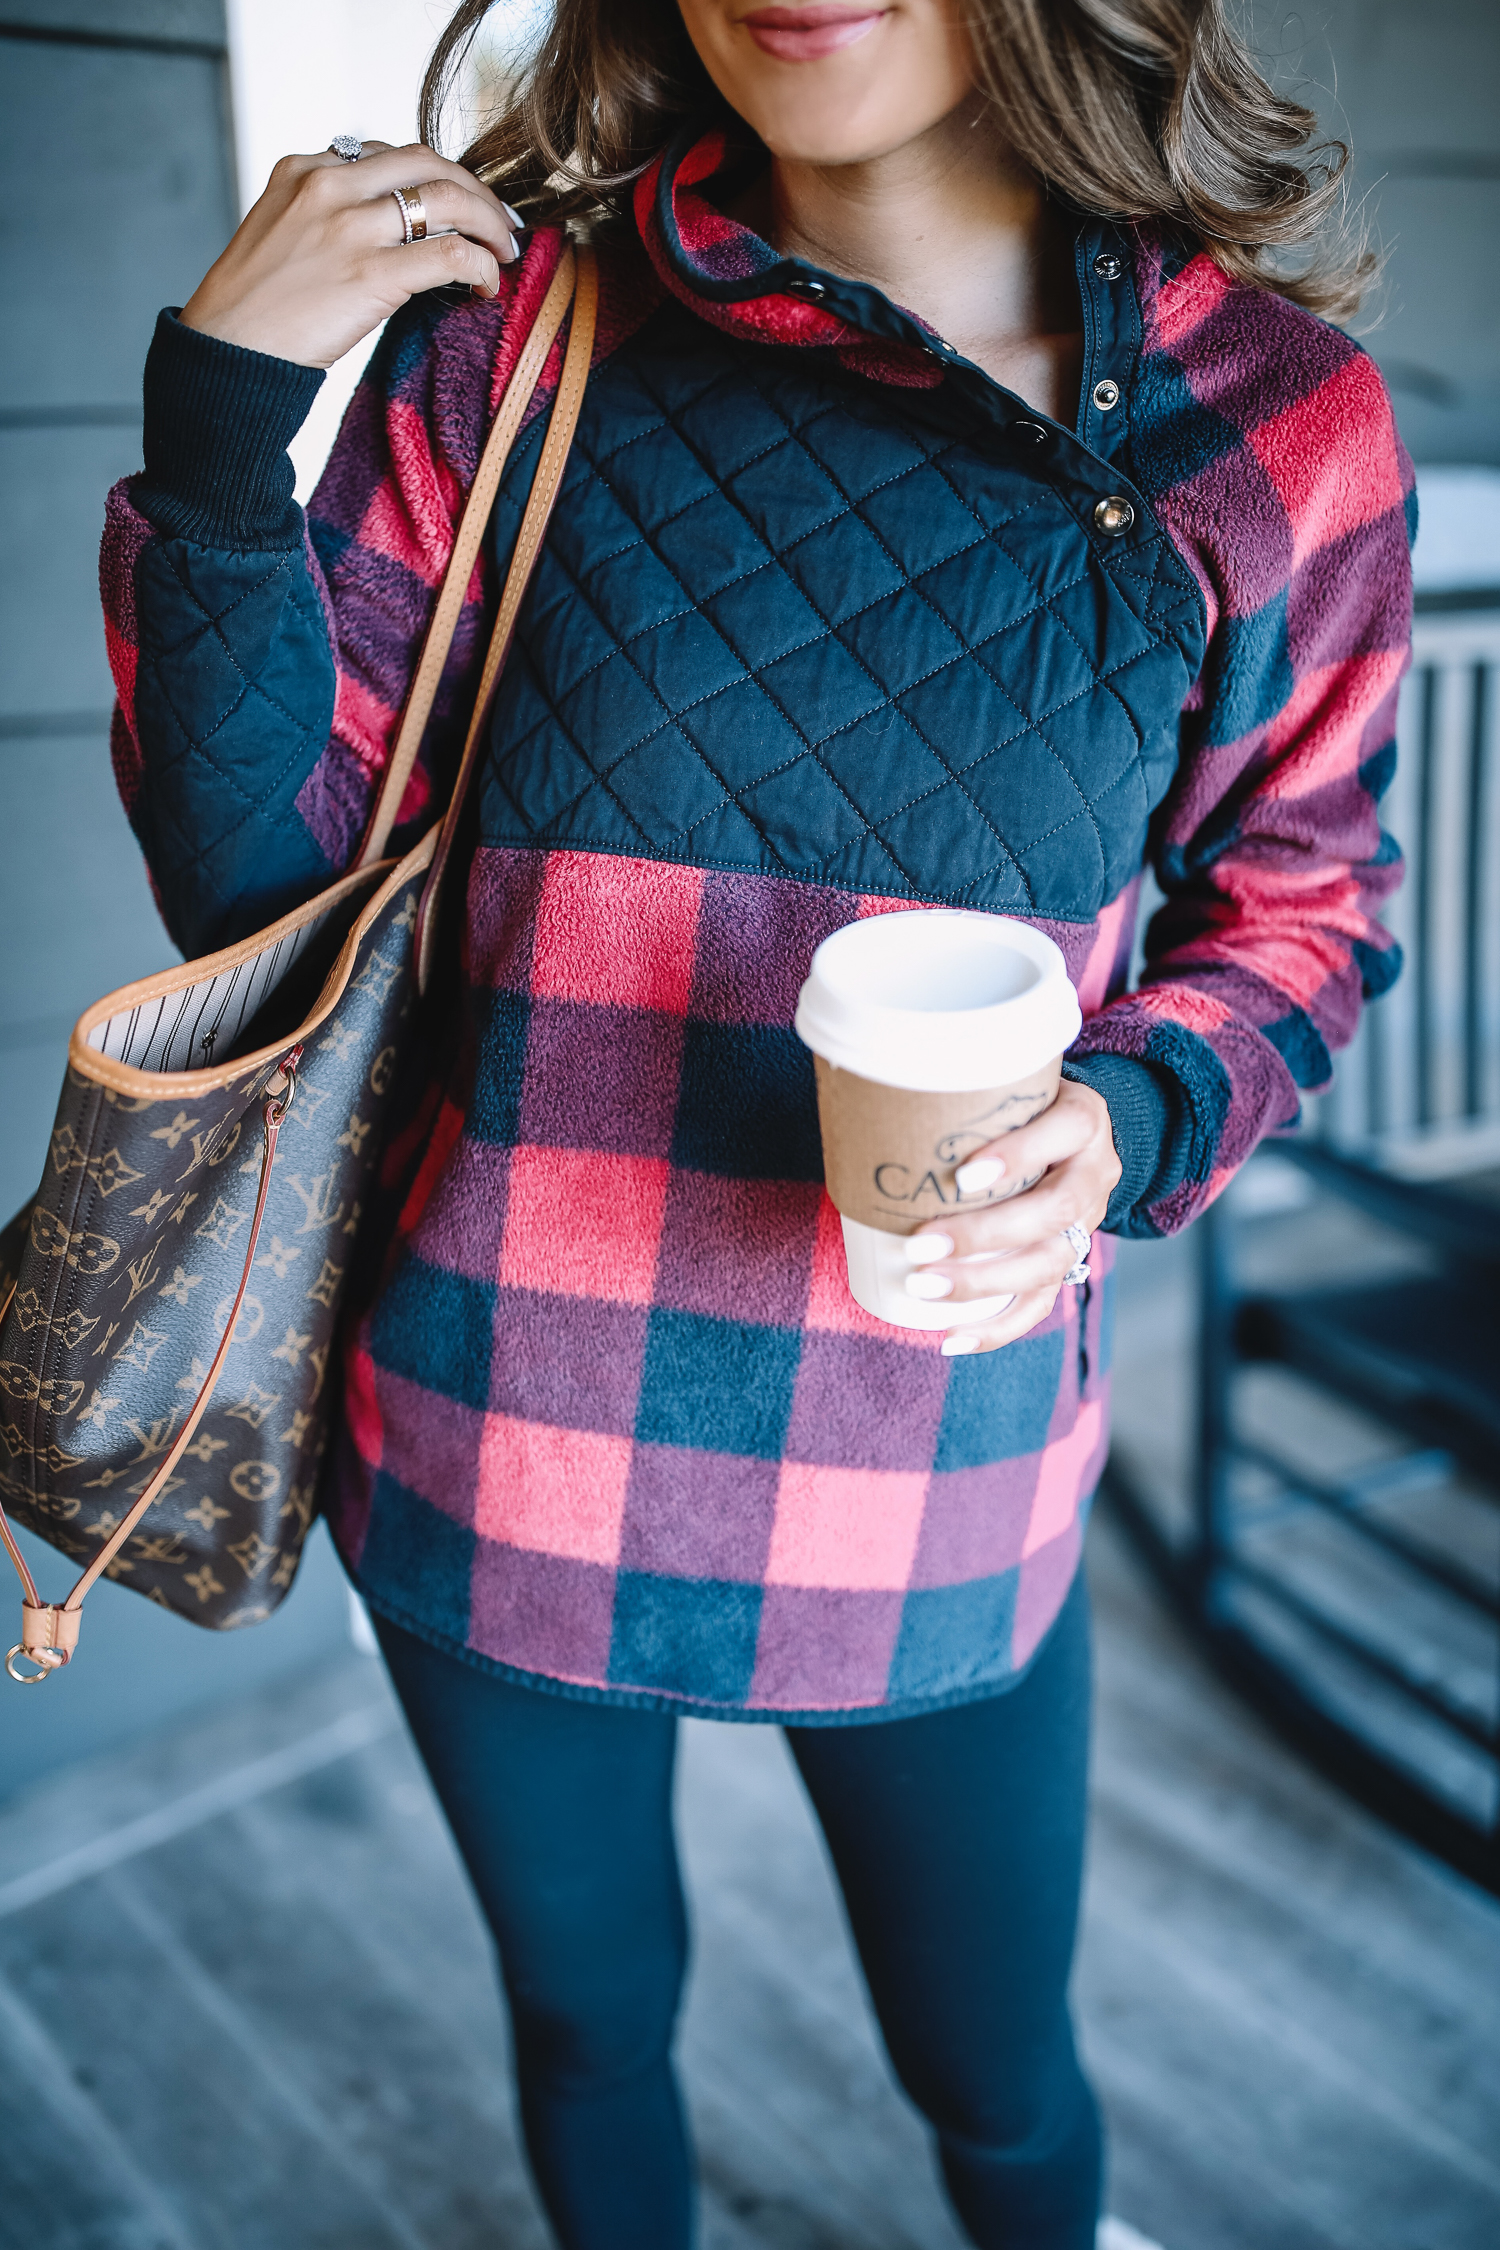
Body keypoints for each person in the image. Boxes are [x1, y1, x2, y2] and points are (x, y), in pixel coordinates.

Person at [99, 3, 1412, 2243]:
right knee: (591, 2033)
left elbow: (1304, 904)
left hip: (940, 1471)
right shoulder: (513, 343)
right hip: (494, 1436)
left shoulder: (1272, 423)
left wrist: (1129, 1109)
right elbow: (261, 889)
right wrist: (222, 423)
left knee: (998, 2089)